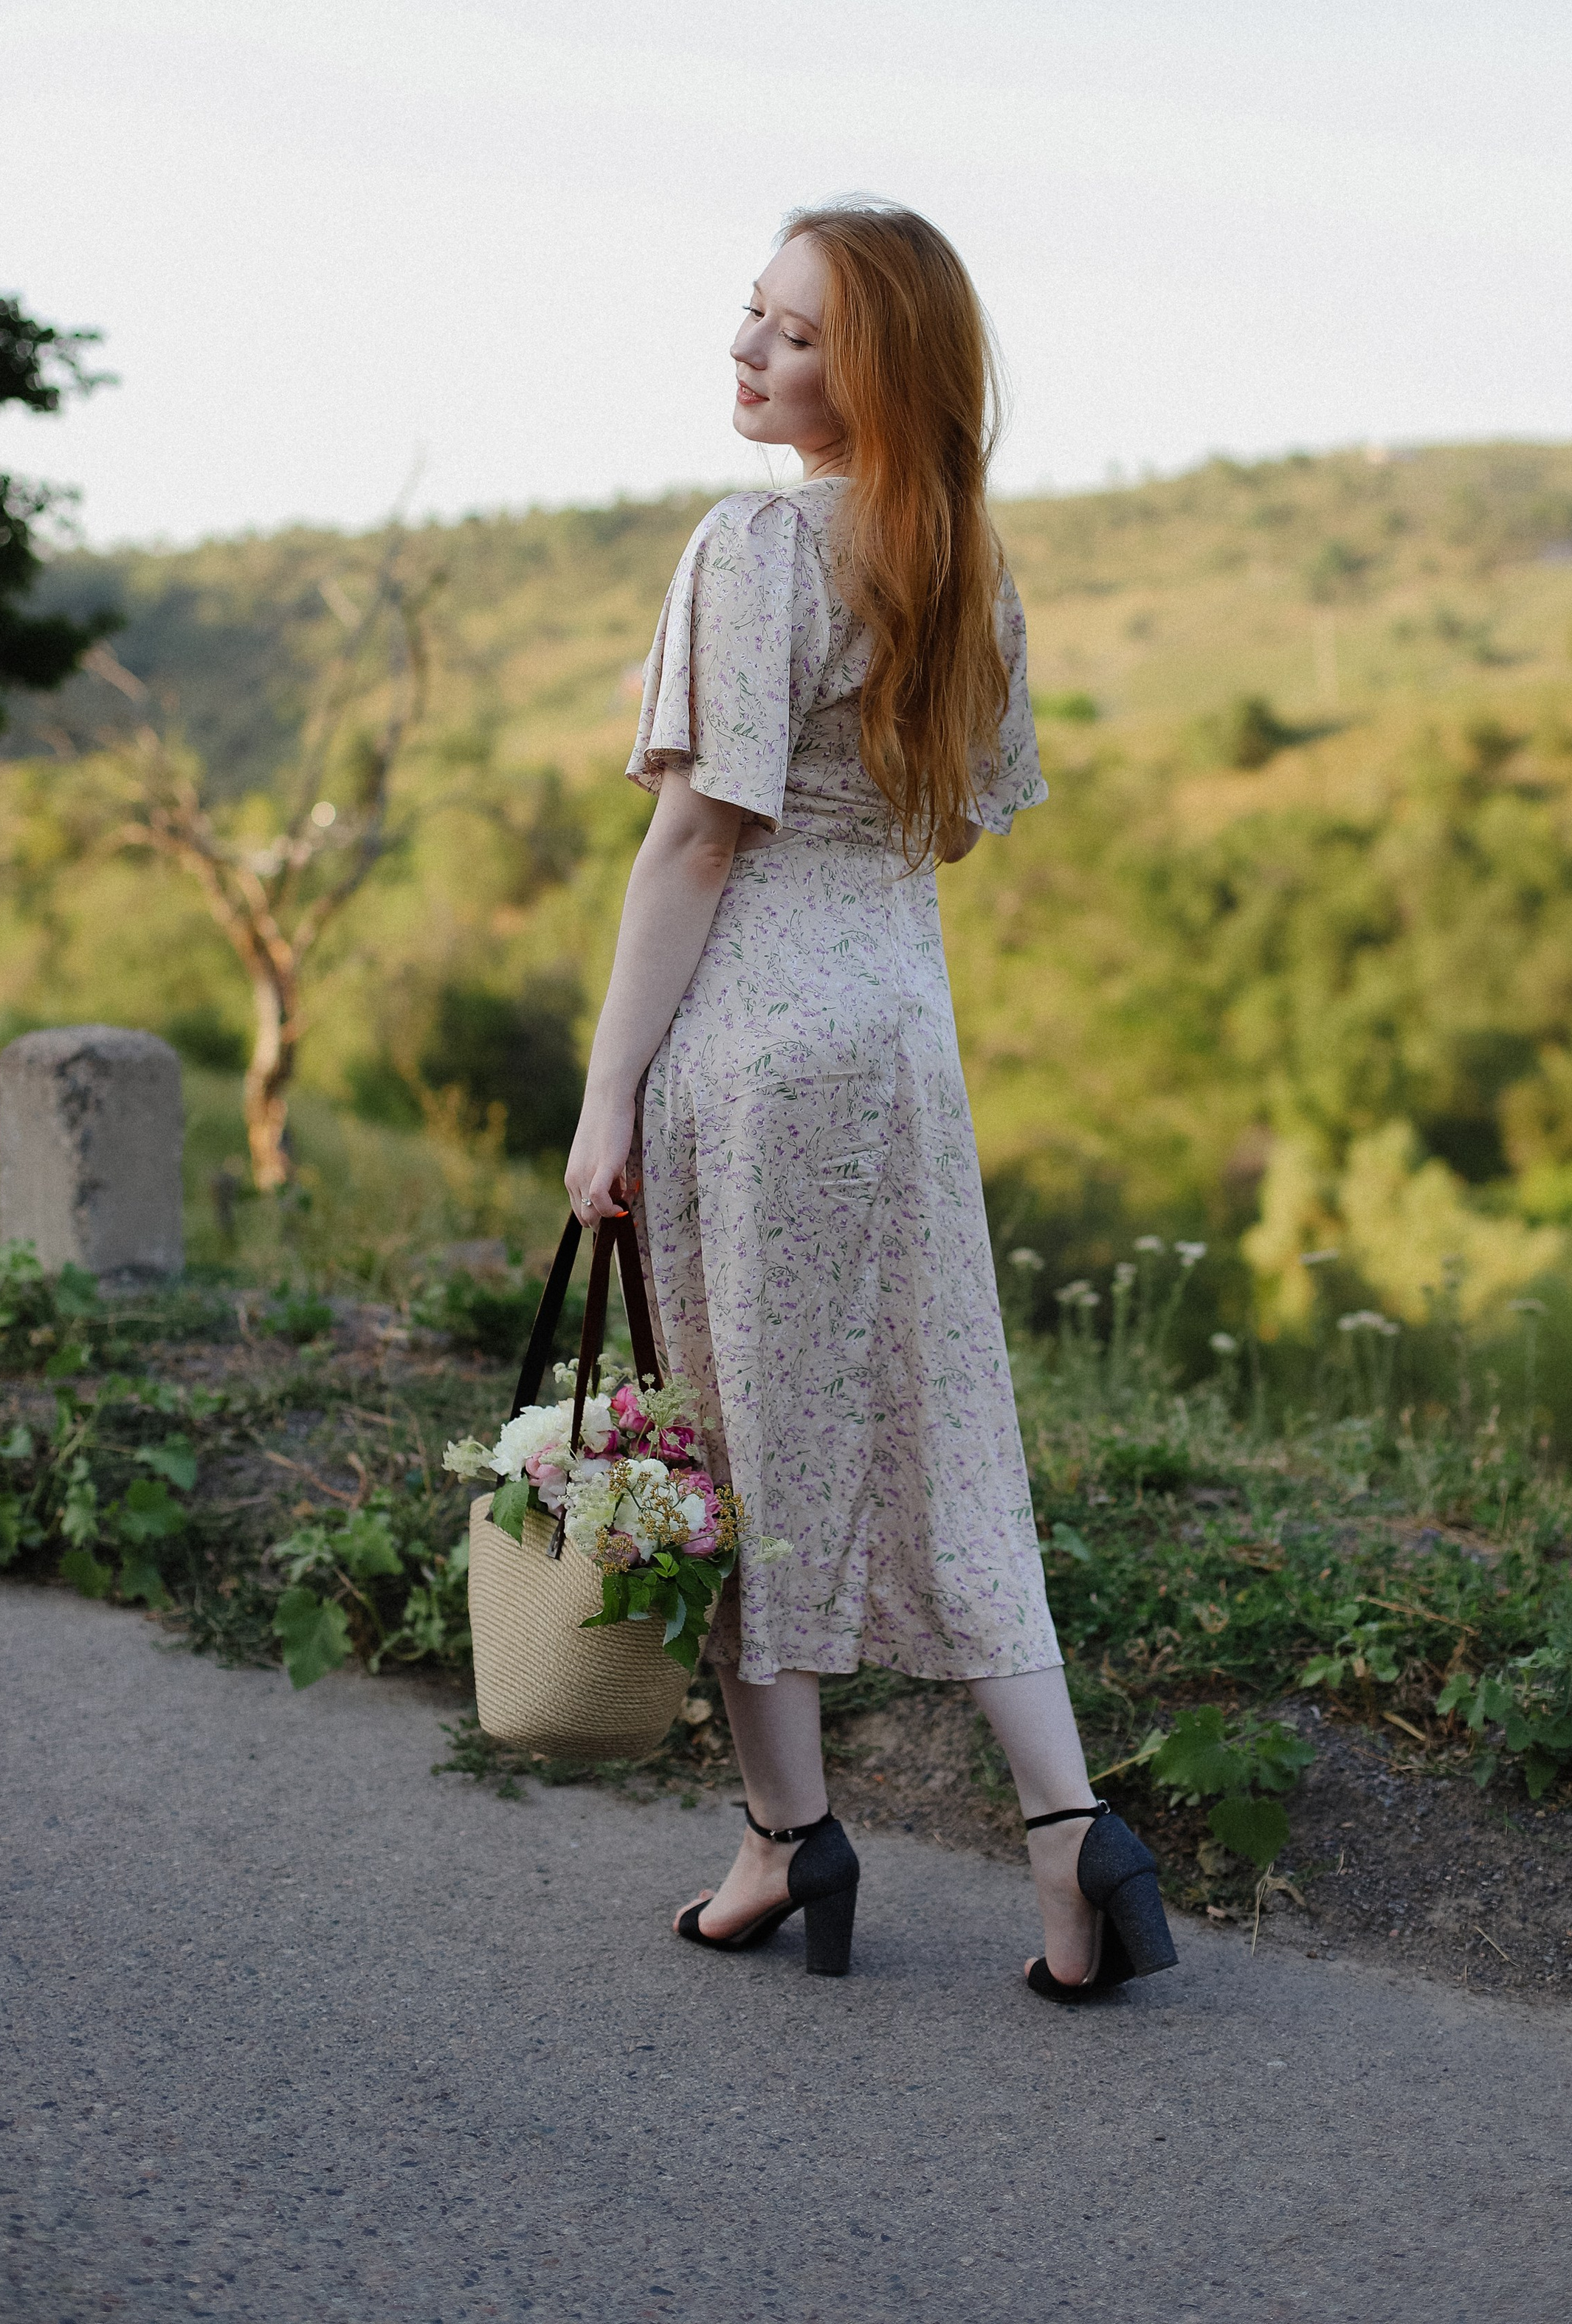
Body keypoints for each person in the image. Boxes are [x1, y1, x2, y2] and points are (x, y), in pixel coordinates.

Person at [564, 201, 1175, 2002]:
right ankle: (1074, 1842)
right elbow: (958, 820)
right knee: (945, 1426)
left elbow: (692, 840)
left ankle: (782, 1836)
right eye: (750, 317)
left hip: (751, 1044)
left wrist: (605, 1103)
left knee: (744, 1440)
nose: (749, 352)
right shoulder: (963, 557)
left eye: (798, 334)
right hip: (898, 1034)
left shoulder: (750, 543)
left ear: (880, 367)